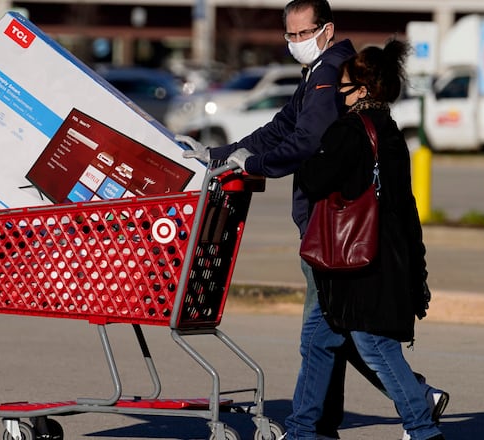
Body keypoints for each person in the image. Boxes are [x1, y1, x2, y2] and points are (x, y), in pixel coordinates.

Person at [176, 1, 447, 439]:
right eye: (290, 35)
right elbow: (282, 126)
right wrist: (222, 155)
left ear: (327, 30)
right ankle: (313, 427)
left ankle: (412, 413)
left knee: (356, 339)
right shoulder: (358, 102)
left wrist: (252, 165)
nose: (295, 43)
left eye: (302, 34)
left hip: (338, 240)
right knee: (329, 339)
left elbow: (306, 148)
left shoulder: (332, 81)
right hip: (350, 240)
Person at [287, 38, 446, 440]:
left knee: (375, 345)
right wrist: (417, 269)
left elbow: (314, 179)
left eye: (342, 89)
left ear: (361, 90)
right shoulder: (390, 132)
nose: (337, 97)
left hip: (352, 263)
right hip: (384, 255)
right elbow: (406, 205)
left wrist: (311, 146)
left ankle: (423, 428)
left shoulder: (348, 132)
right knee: (319, 340)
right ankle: (303, 430)